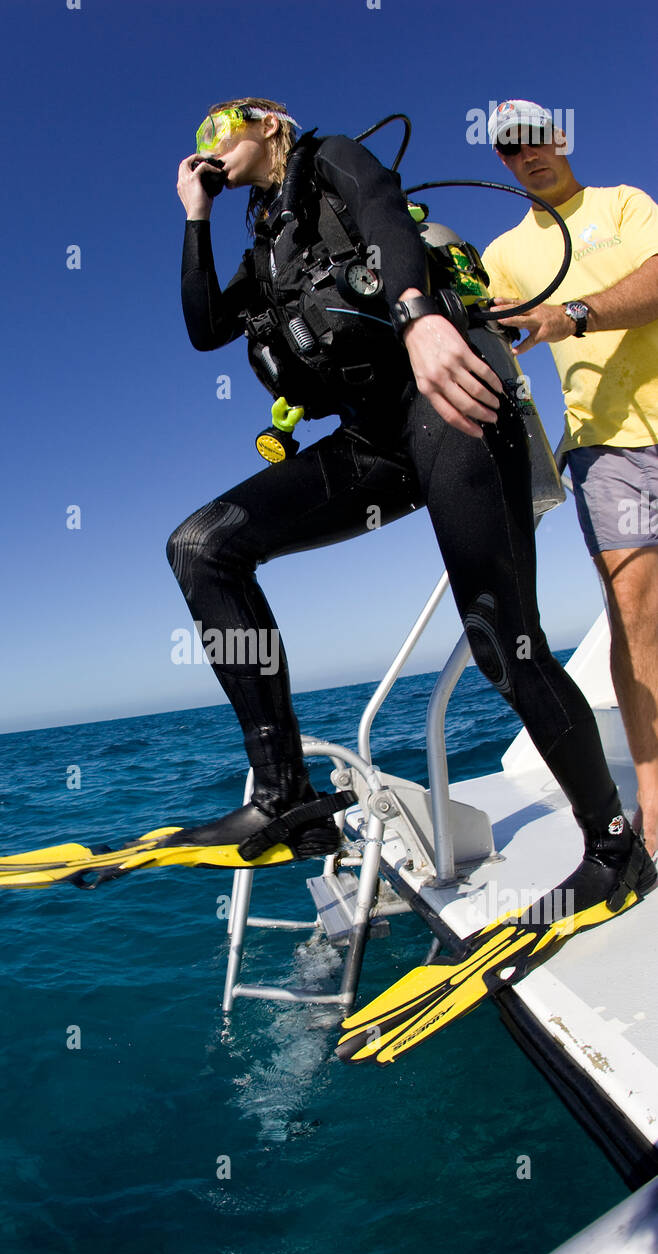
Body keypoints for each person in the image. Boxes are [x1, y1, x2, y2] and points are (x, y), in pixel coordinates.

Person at [167, 96, 654, 918]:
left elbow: (388, 217)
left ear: (270, 124)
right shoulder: (265, 236)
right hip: (373, 443)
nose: (211, 145)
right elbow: (206, 326)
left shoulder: (333, 159)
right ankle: (289, 795)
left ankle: (614, 849)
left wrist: (423, 320)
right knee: (202, 547)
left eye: (222, 128)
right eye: (201, 140)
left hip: (451, 406)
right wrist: (197, 216)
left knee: (504, 641)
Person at [481, 99, 658, 856]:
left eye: (535, 140)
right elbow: (482, 330)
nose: (527, 156)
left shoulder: (624, 204)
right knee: (635, 616)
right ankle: (654, 795)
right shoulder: (504, 252)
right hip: (605, 448)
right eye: (510, 150)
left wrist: (571, 313)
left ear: (560, 138)